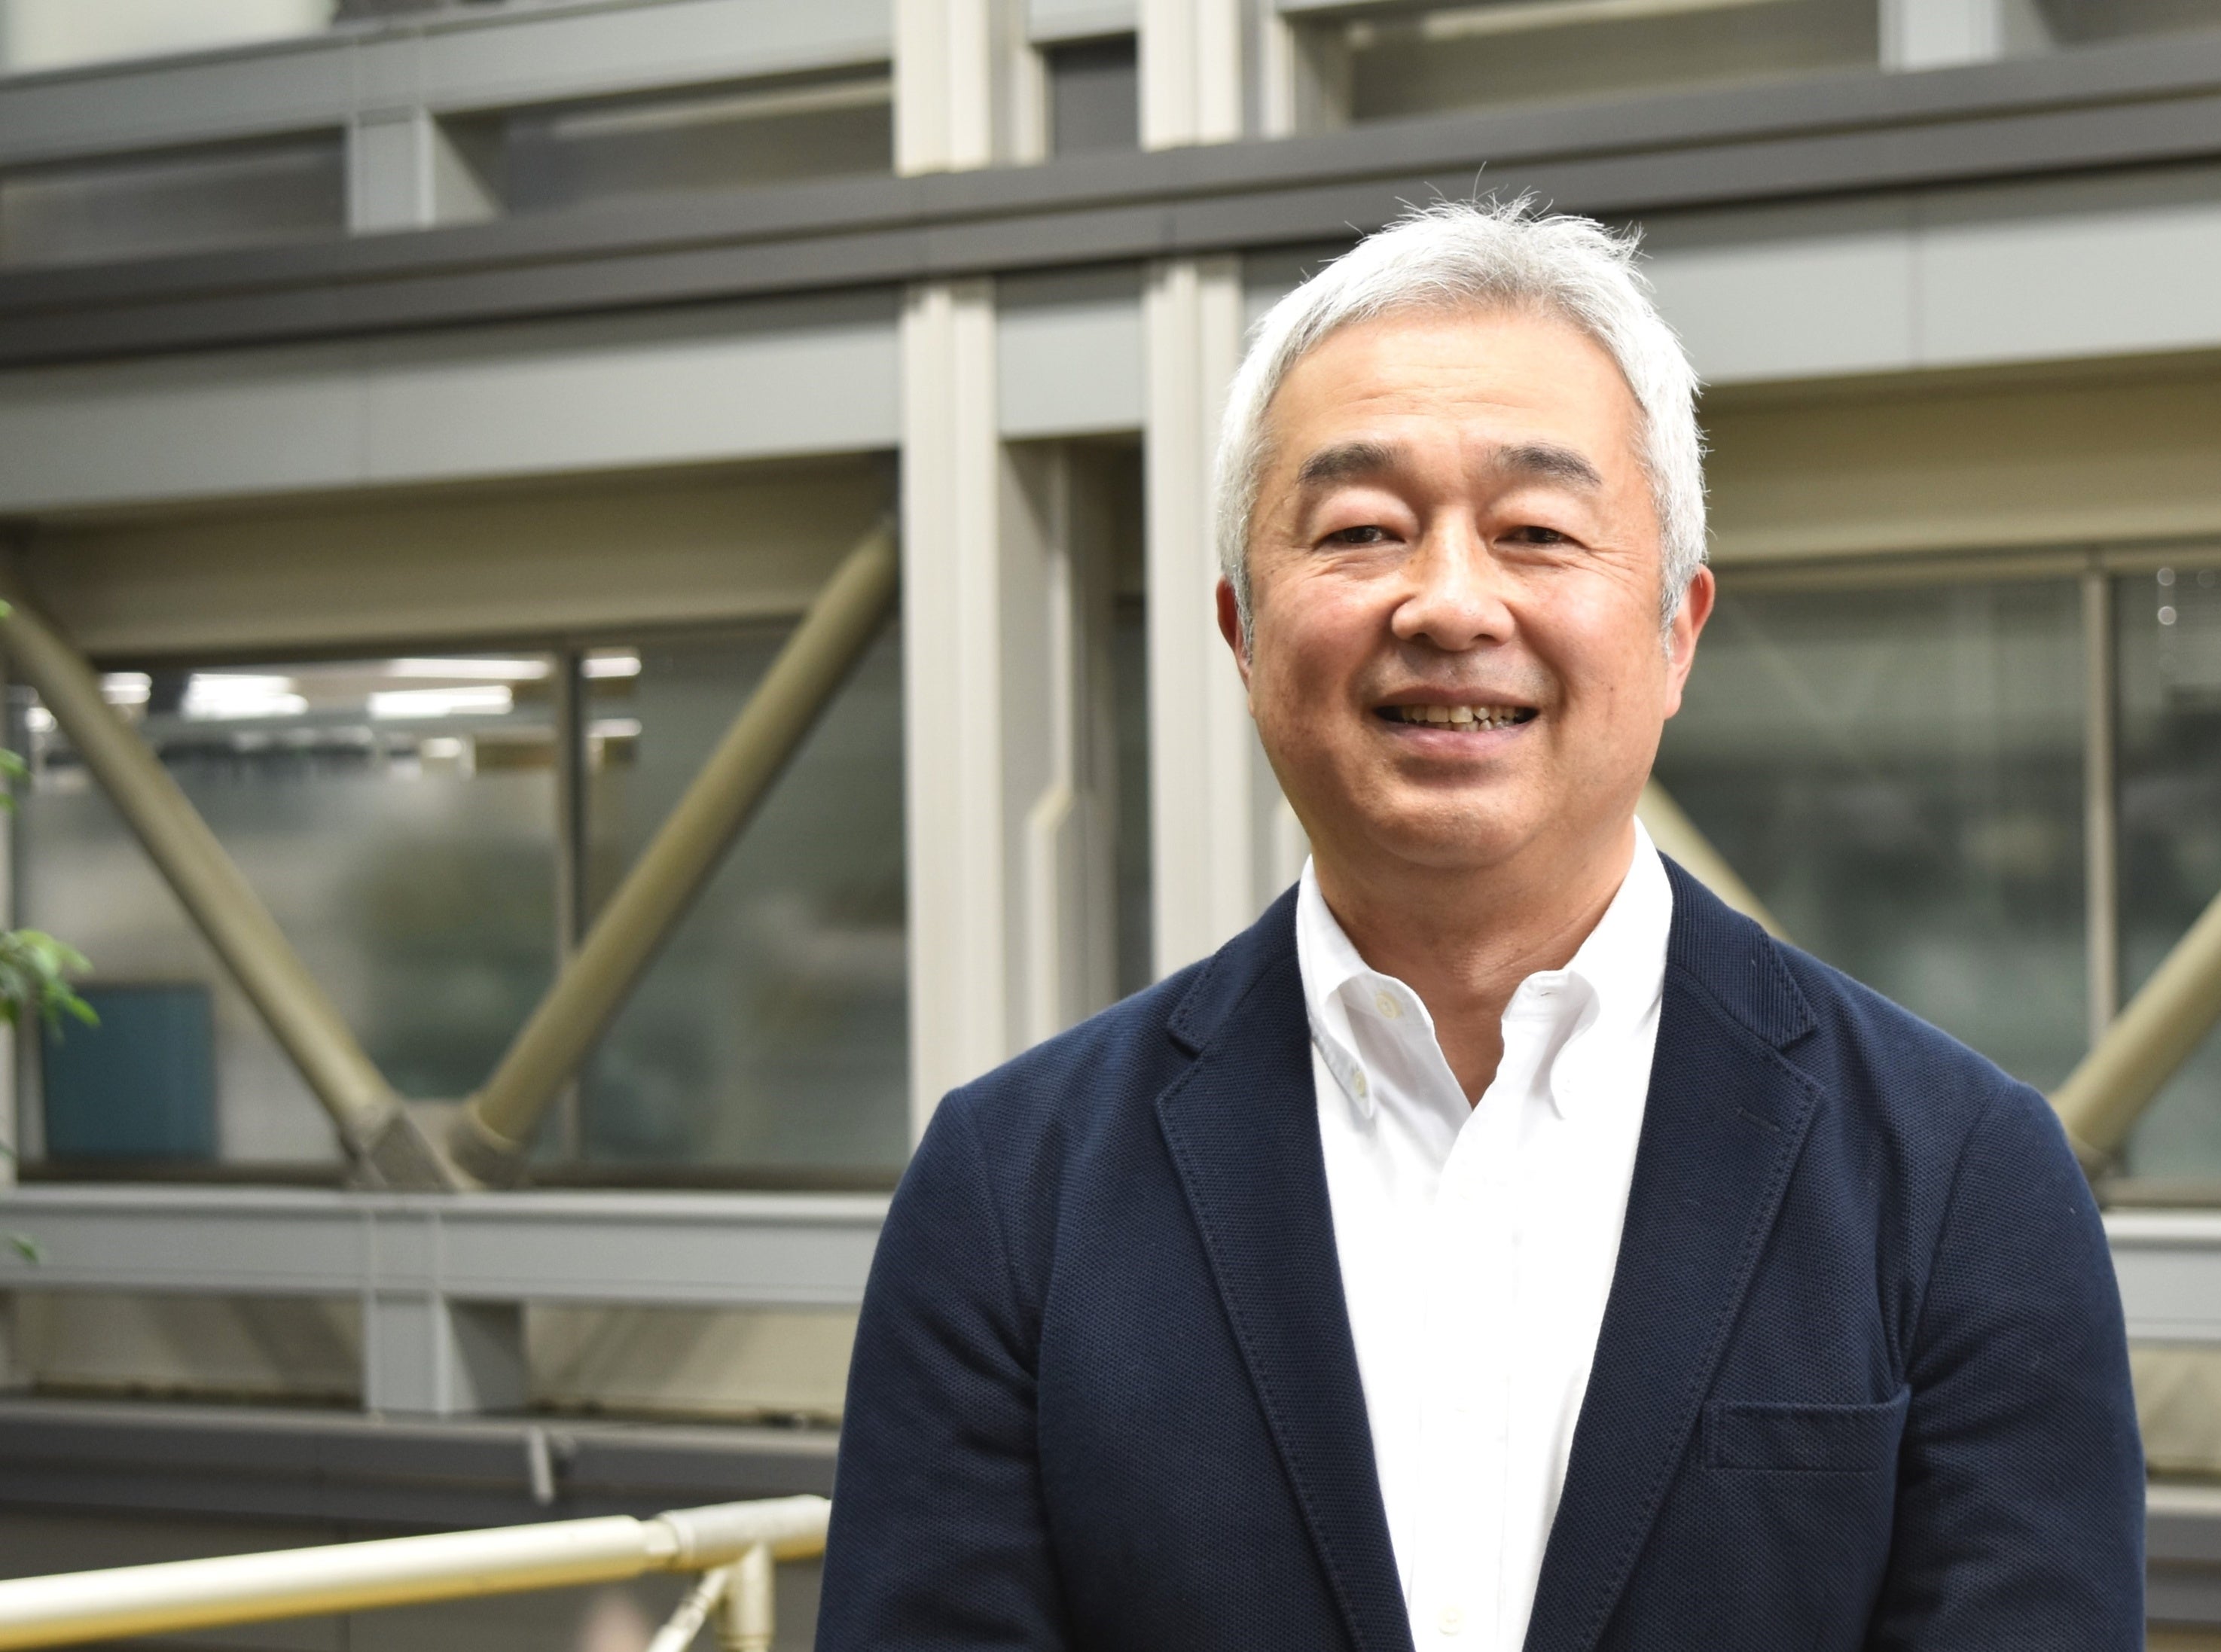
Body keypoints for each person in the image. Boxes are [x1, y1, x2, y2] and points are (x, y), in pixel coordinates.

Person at [817, 198, 2143, 1652]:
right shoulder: (1013, 1193)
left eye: (1536, 531)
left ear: (1678, 630)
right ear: (1242, 634)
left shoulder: (1961, 1183)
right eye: (1363, 530)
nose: (1449, 603)